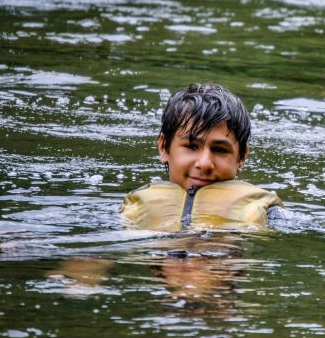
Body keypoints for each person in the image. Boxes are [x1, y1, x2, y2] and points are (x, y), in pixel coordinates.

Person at [120, 83, 284, 231]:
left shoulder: (268, 214)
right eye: (191, 146)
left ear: (241, 158)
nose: (204, 163)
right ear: (164, 147)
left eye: (219, 149)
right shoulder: (133, 212)